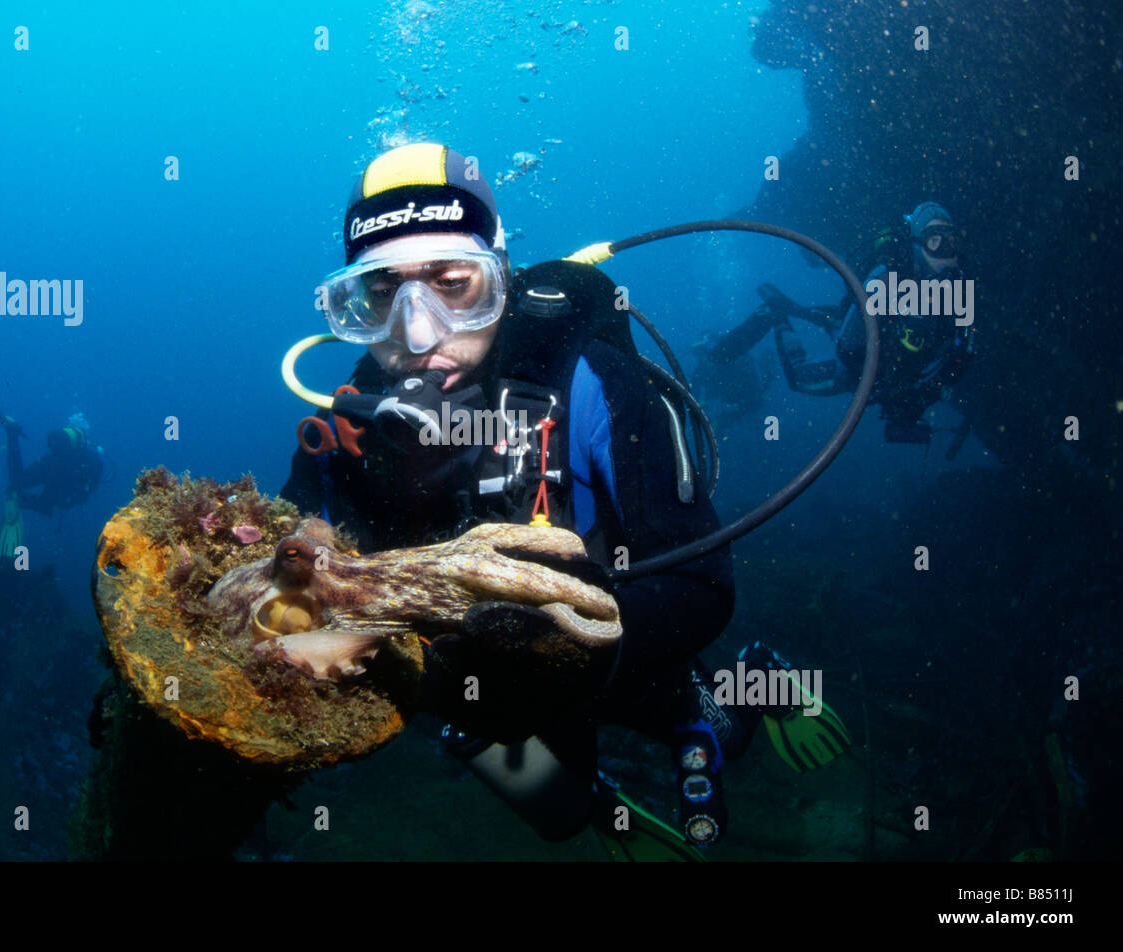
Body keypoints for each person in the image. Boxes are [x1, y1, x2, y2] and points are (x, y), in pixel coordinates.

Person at [279, 143, 847, 854]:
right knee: (556, 814)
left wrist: (549, 654)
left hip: (615, 639)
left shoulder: (588, 382)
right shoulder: (347, 428)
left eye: (455, 286)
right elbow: (291, 555)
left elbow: (701, 584)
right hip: (469, 680)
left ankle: (740, 688)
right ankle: (598, 802)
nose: (420, 334)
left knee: (711, 727)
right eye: (384, 295)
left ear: (502, 281)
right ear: (352, 307)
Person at [708, 201, 975, 444]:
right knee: (800, 378)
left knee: (833, 319)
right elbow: (848, 351)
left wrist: (921, 397)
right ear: (917, 243)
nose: (945, 254)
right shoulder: (883, 282)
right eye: (934, 241)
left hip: (890, 371)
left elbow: (962, 356)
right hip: (856, 360)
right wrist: (883, 378)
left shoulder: (961, 290)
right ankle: (775, 314)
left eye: (952, 243)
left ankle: (800, 310)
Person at [0, 396, 104, 555]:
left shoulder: (58, 455)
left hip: (52, 466)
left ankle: (12, 433)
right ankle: (20, 500)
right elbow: (80, 494)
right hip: (61, 481)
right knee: (53, 502)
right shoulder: (92, 459)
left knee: (17, 482)